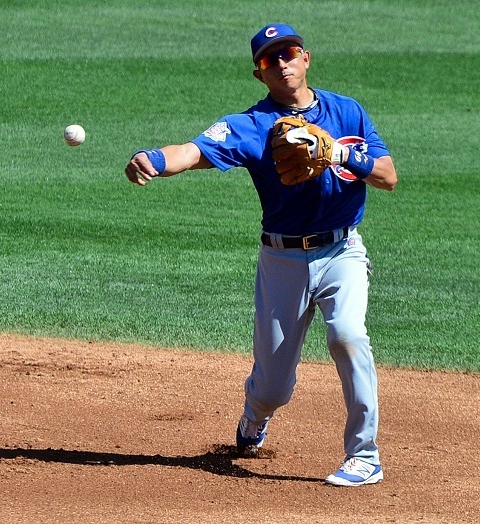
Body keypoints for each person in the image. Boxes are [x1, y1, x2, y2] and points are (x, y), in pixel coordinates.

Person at [125, 23, 397, 487]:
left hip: (342, 249)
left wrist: (339, 154)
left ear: (306, 57)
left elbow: (388, 176)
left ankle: (364, 455)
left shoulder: (347, 112)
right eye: (271, 60)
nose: (283, 63)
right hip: (283, 260)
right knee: (273, 386)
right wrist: (152, 157)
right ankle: (255, 413)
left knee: (349, 336)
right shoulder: (250, 126)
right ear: (260, 74)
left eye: (289, 52)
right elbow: (191, 151)